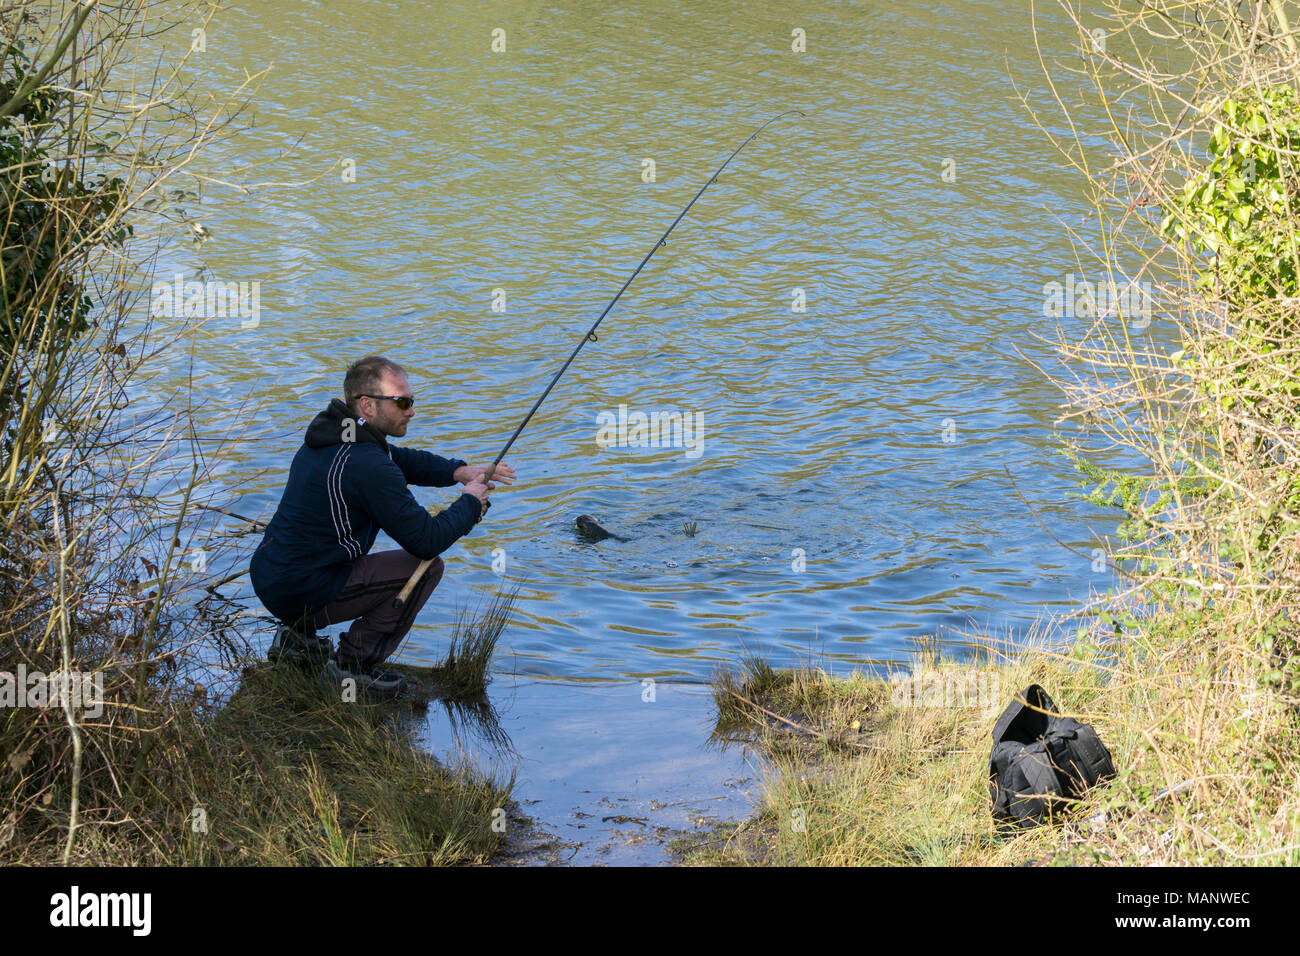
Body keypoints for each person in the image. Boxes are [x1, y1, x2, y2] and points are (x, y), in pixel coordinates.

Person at [249, 355, 515, 696]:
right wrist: (469, 502)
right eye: (402, 402)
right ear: (367, 405)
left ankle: (297, 643)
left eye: (411, 401)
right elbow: (426, 540)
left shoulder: (335, 437)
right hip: (302, 588)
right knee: (425, 568)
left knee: (333, 558)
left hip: (271, 577)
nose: (411, 410)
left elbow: (399, 459)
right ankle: (350, 669)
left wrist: (458, 471)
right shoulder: (367, 463)